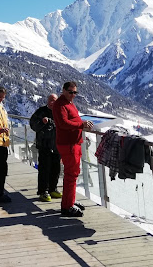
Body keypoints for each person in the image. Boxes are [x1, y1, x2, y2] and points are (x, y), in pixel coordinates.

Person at [52, 81, 94, 217]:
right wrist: (81, 125)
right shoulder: (60, 104)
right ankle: (67, 207)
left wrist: (81, 126)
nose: (73, 95)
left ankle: (70, 201)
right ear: (63, 90)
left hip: (74, 143)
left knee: (73, 174)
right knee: (71, 174)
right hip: (68, 144)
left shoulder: (69, 103)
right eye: (70, 92)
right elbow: (63, 123)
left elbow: (72, 120)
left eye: (75, 92)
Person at [30, 93, 62, 202]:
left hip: (57, 145)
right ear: (48, 101)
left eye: (54, 100)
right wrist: (42, 123)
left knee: (56, 169)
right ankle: (43, 191)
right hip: (44, 146)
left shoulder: (59, 111)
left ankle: (53, 189)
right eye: (51, 100)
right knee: (44, 169)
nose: (52, 102)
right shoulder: (41, 111)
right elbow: (33, 124)